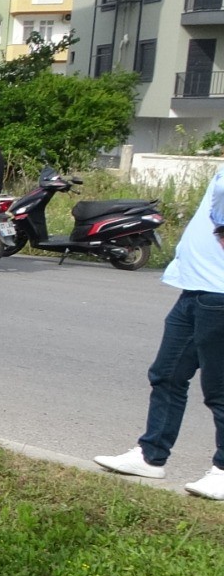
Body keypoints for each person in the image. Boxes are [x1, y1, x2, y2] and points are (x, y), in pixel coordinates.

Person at [94, 165, 224, 500]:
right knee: (166, 375)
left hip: (219, 294)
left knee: (219, 389)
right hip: (195, 290)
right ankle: (151, 457)